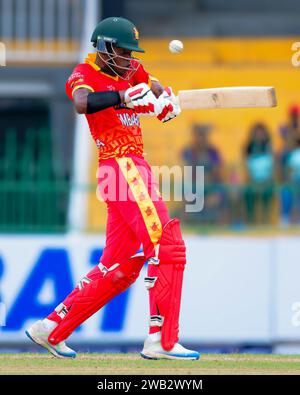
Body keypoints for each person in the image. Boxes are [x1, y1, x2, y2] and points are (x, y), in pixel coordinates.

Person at [25, 17, 199, 361]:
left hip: (124, 169)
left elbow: (155, 87)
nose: (129, 58)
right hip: (121, 165)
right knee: (166, 244)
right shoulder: (84, 72)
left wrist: (167, 103)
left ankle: (50, 328)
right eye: (122, 51)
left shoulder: (130, 69)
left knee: (118, 266)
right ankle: (161, 340)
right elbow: (81, 103)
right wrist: (123, 97)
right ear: (105, 48)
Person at [243, 122, 274, 224]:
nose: (259, 135)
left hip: (266, 180)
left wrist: (267, 180)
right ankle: (250, 220)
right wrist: (252, 181)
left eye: (261, 133)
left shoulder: (269, 147)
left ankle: (266, 220)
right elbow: (246, 167)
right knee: (248, 193)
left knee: (268, 191)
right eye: (257, 133)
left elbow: (273, 167)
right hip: (253, 181)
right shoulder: (248, 148)